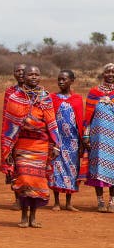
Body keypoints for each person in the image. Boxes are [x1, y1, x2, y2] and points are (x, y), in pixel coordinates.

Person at [1, 65, 59, 228]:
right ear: (23, 77)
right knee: (24, 180)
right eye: (30, 74)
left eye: (36, 74)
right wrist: (9, 149)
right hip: (21, 145)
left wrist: (55, 145)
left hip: (40, 145)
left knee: (37, 182)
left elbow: (52, 123)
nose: (33, 77)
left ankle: (33, 217)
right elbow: (9, 126)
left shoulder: (46, 97)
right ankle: (24, 216)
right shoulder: (15, 97)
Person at [48, 70, 84, 211]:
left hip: (73, 141)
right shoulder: (52, 98)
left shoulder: (77, 99)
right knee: (56, 169)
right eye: (59, 79)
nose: (61, 82)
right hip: (57, 140)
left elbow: (80, 122)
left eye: (64, 79)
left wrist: (81, 141)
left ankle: (69, 203)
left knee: (72, 170)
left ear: (72, 81)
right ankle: (56, 202)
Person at [84, 62, 114, 212]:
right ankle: (100, 201)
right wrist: (86, 136)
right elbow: (88, 117)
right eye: (108, 71)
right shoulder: (94, 92)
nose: (110, 74)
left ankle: (112, 202)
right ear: (103, 74)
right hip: (97, 139)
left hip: (113, 140)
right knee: (97, 170)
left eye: (113, 72)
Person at [3, 63, 27, 210]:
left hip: (30, 135)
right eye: (17, 71)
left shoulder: (35, 91)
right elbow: (6, 116)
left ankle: (28, 198)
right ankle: (18, 199)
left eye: (23, 71)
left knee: (28, 167)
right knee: (14, 167)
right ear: (13, 74)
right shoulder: (10, 92)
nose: (20, 74)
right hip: (13, 134)